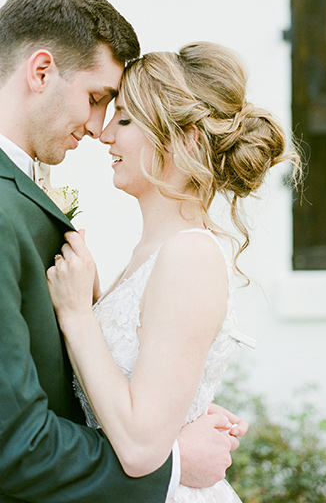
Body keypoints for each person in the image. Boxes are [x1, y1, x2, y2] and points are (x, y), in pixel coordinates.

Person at [0, 0, 245, 503]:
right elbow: (14, 446)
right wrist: (175, 465)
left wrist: (177, 404)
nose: (100, 128)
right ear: (40, 71)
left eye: (121, 115)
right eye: (99, 99)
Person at [48, 44, 299, 502]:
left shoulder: (189, 256)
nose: (105, 135)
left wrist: (77, 316)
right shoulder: (152, 252)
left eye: (124, 120)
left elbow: (142, 448)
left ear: (186, 140)